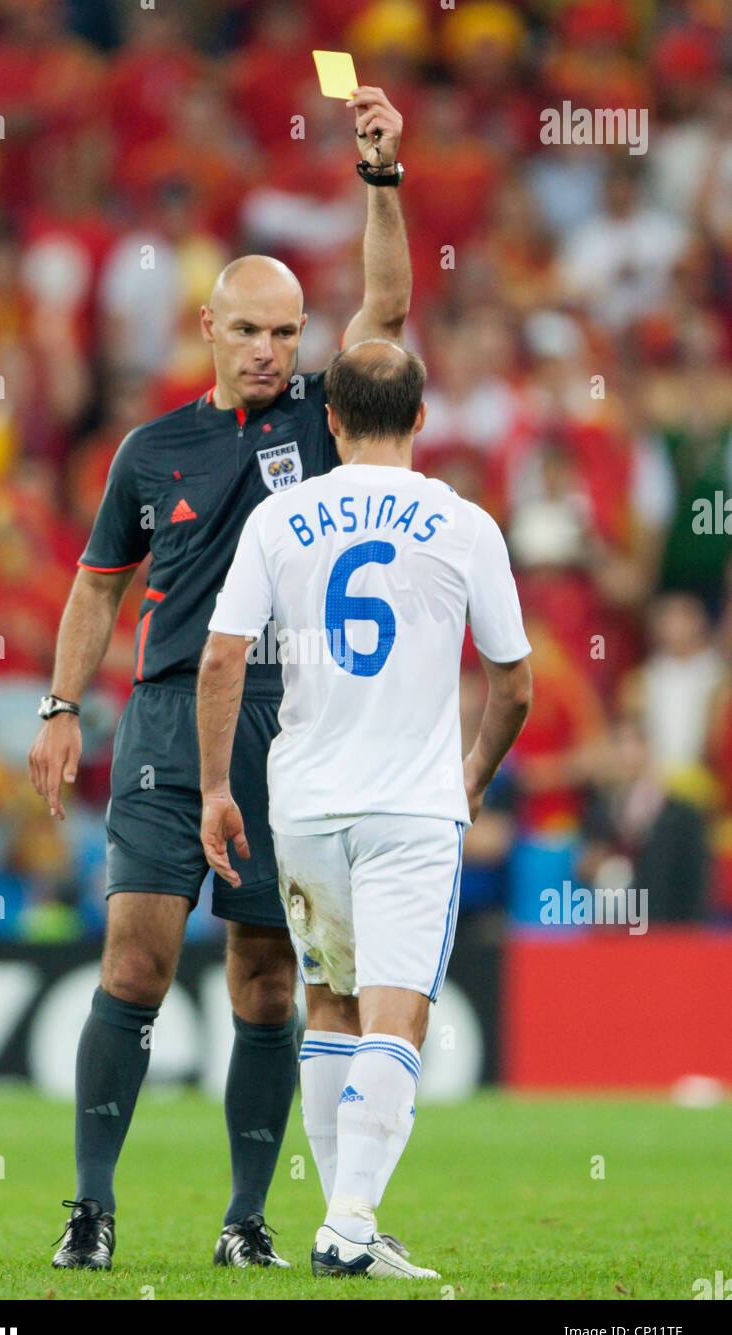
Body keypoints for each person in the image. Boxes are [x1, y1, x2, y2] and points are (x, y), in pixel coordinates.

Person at [28, 87, 412, 1271]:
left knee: (261, 978)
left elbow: (388, 304)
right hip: (161, 714)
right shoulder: (152, 450)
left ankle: (246, 1223)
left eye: (285, 332)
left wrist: (380, 178)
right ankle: (90, 1210)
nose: (268, 350)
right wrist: (56, 705)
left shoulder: (326, 413)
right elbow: (98, 586)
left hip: (286, 724)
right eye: (248, 330)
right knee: (136, 951)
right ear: (207, 327)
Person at [198, 340, 532, 1278]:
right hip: (411, 805)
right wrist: (472, 772)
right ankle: (348, 1224)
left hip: (302, 802)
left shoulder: (280, 516)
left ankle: (347, 1222)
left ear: (332, 420)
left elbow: (223, 658)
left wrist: (219, 788)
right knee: (398, 1014)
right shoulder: (464, 524)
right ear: (422, 419)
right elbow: (513, 683)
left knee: (331, 1007)